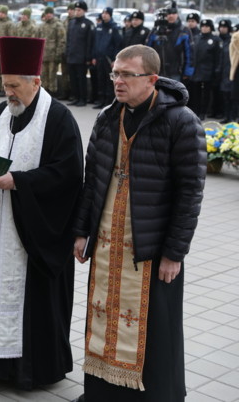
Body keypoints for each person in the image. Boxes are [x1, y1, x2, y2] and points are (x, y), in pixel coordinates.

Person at [72, 45, 206, 402]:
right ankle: (102, 395)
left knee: (154, 329)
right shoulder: (106, 117)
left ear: (151, 79)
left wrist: (174, 253)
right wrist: (81, 232)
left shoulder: (181, 121)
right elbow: (92, 180)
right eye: (114, 73)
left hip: (150, 250)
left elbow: (190, 193)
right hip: (107, 243)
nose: (118, 81)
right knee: (102, 317)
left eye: (127, 75)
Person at [0, 36, 84, 389]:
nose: (8, 92)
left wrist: (18, 182)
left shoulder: (58, 118)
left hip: (32, 234)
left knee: (32, 301)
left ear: (36, 82)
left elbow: (68, 174)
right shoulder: (2, 112)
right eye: (5, 85)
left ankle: (30, 371)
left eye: (14, 86)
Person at [91, 7, 122, 109]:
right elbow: (95, 43)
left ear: (110, 15)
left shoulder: (115, 27)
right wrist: (94, 56)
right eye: (103, 13)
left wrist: (115, 59)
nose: (104, 15)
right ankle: (101, 100)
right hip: (99, 58)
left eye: (106, 13)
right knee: (100, 79)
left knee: (110, 80)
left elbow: (118, 45)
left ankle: (109, 101)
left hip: (109, 59)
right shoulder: (99, 27)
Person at [66, 0, 95, 106]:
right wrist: (67, 52)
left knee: (81, 79)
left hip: (82, 57)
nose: (77, 12)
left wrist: (88, 57)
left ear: (84, 11)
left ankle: (83, 99)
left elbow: (90, 42)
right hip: (71, 56)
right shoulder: (71, 23)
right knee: (73, 79)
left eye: (79, 10)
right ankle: (76, 97)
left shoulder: (88, 24)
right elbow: (68, 40)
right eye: (76, 10)